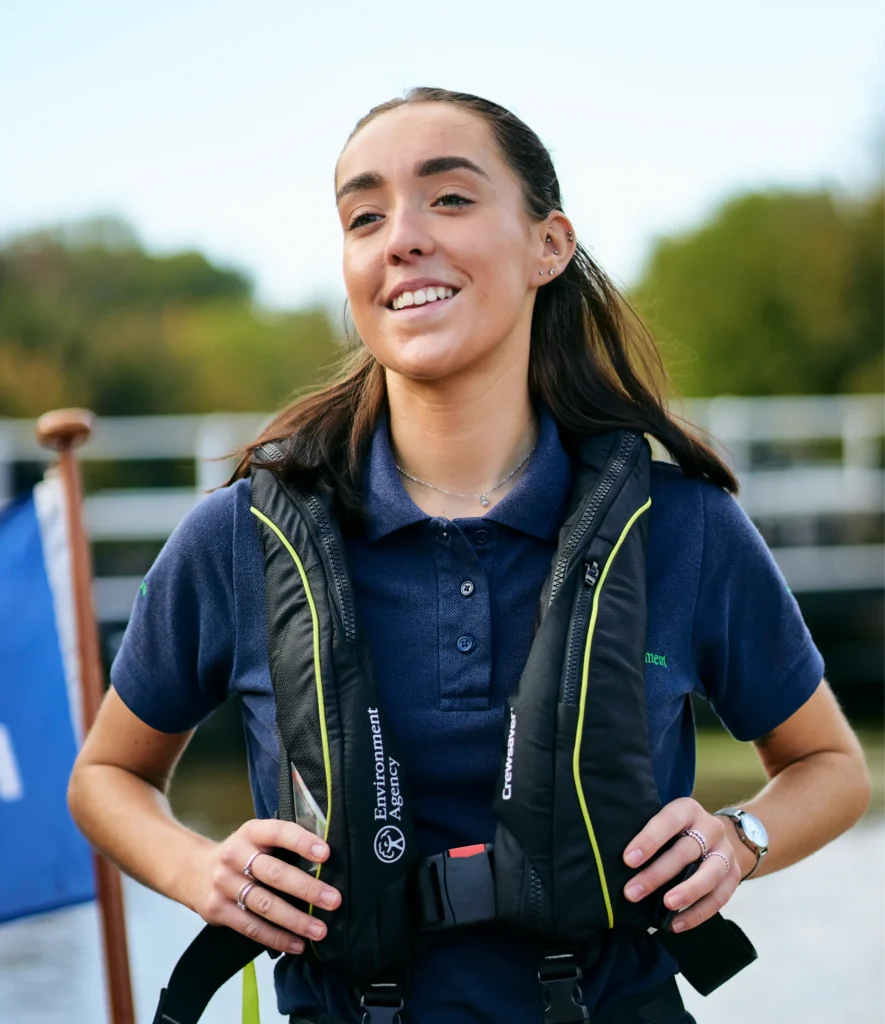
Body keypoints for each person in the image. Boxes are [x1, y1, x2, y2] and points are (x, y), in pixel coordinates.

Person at [68, 87, 872, 1024]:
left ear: (548, 245)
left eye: (448, 198)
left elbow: (830, 765)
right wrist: (200, 870)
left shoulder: (682, 526)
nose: (402, 237)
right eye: (365, 216)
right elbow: (105, 777)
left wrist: (741, 837)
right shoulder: (239, 537)